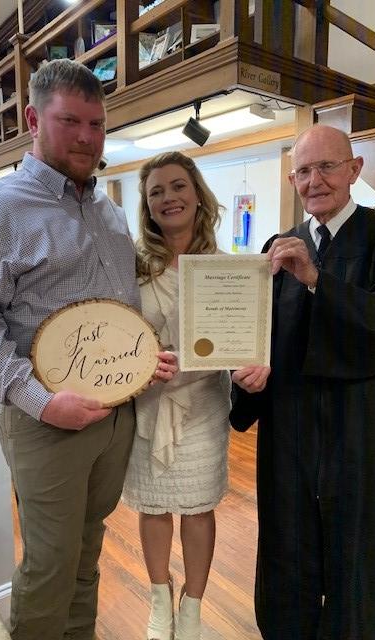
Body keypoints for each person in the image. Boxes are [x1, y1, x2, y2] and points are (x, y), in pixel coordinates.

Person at [0, 59, 176, 640]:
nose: (86, 137)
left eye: (97, 124)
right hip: (45, 422)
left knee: (88, 549)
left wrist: (141, 360)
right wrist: (43, 402)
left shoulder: (108, 211)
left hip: (116, 416)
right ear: (32, 120)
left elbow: (117, 311)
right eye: (70, 121)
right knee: (50, 564)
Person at [230, 124, 375, 640]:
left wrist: (316, 280)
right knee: (289, 533)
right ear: (293, 180)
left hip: (360, 423)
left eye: (327, 166)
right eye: (304, 171)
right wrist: (246, 375)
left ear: (354, 170)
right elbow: (258, 333)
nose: (315, 181)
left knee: (359, 537)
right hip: (290, 424)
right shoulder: (277, 247)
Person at [121, 152, 231, 640]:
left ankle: (192, 609)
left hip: (203, 402)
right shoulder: (130, 268)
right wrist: (136, 368)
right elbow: (116, 333)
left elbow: (236, 339)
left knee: (198, 506)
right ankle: (159, 601)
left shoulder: (225, 269)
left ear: (197, 194)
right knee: (154, 505)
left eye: (178, 186)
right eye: (156, 192)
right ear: (146, 206)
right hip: (148, 399)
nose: (169, 197)